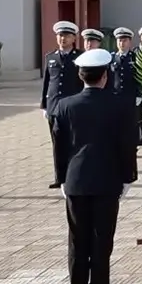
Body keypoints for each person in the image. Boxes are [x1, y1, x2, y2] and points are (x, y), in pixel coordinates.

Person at [52, 48, 138, 284]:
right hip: (107, 180)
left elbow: (59, 146)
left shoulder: (65, 105)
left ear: (81, 76)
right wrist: (128, 177)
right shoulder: (120, 105)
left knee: (78, 238)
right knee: (102, 239)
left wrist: (61, 179)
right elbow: (127, 144)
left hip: (76, 180)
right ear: (104, 76)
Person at [42, 21, 84, 189]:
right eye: (60, 36)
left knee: (74, 143)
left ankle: (75, 175)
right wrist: (44, 105)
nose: (62, 39)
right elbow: (47, 83)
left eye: (66, 36)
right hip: (54, 107)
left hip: (72, 107)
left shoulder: (79, 57)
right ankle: (59, 177)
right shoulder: (50, 56)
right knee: (57, 143)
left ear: (74, 38)